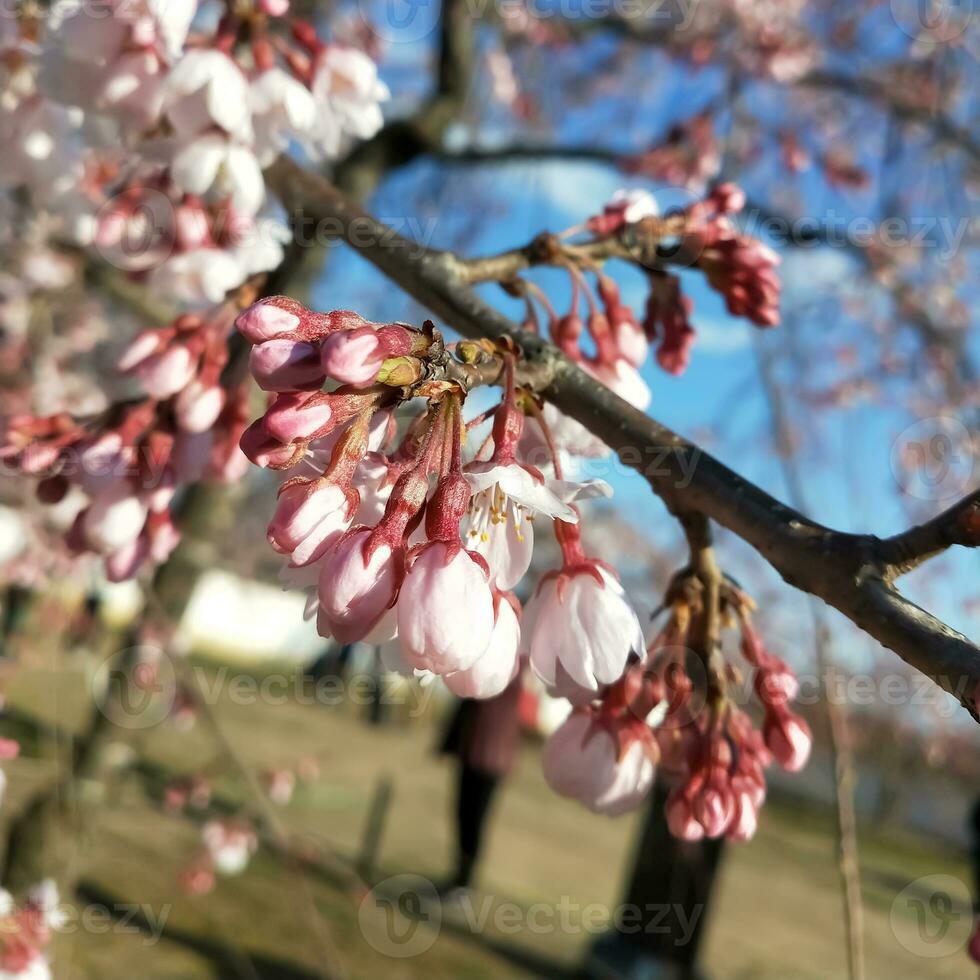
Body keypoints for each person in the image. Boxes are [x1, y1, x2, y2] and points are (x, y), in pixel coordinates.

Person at [438, 670, 524, 895]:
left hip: (490, 757)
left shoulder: (511, 667)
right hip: (473, 750)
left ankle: (464, 883)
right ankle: (459, 876)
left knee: (474, 820)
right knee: (463, 815)